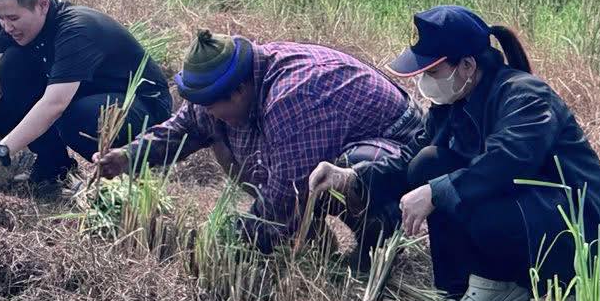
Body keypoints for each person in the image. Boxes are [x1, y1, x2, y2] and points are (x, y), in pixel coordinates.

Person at [389, 6, 600, 301]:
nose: (424, 82)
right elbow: (413, 156)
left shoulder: (525, 94)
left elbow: (508, 160)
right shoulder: (453, 104)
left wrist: (437, 191)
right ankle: (492, 283)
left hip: (578, 232)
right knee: (430, 165)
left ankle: (569, 294)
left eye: (432, 72)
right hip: (529, 213)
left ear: (467, 66)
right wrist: (355, 178)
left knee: (456, 189)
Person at [94, 28, 425, 252]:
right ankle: (308, 238)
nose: (207, 112)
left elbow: (288, 191)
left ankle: (377, 232)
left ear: (239, 90)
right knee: (223, 141)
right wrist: (126, 157)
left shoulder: (293, 97)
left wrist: (229, 238)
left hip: (393, 152)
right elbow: (183, 129)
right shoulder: (234, 87)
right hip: (325, 143)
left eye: (213, 106)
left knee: (337, 174)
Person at [0, 0, 172, 190]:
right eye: (0, 18)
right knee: (11, 66)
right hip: (88, 95)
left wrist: (0, 152)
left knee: (75, 118)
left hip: (143, 106)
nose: (6, 27)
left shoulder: (76, 30)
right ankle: (54, 167)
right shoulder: (14, 29)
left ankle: (120, 178)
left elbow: (54, 105)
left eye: (13, 18)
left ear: (42, 5)